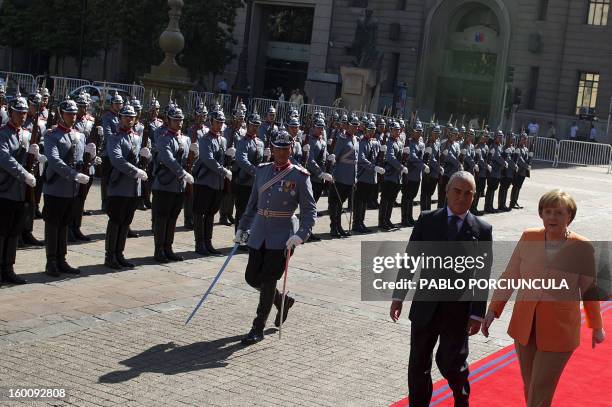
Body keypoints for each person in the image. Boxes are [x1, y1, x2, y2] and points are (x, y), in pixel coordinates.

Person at [482, 189, 605, 407]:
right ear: (541, 214)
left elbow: (589, 289)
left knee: (540, 387)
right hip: (525, 325)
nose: (552, 217)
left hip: (559, 329)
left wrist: (596, 325)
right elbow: (510, 275)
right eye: (547, 212)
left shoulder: (582, 247)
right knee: (530, 387)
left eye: (559, 213)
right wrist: (493, 309)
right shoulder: (529, 237)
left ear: (569, 216)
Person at [390, 171, 493, 407]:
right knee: (418, 365)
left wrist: (477, 313)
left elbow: (483, 275)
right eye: (457, 191)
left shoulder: (482, 230)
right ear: (446, 191)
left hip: (458, 312)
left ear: (474, 197)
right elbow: (410, 260)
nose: (462, 197)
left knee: (450, 364)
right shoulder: (427, 220)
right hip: (425, 307)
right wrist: (399, 296)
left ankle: (461, 398)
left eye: (468, 193)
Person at [235, 129, 317, 345]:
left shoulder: (299, 176)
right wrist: (243, 227)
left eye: (285, 148)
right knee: (252, 277)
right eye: (277, 148)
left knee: (269, 279)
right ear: (271, 148)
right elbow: (252, 203)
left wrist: (301, 235)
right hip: (260, 231)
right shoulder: (262, 171)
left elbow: (309, 211)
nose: (281, 152)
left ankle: (258, 326)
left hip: (282, 236)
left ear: (291, 149)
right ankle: (282, 300)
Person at [43, 97, 90, 277]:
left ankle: (62, 259)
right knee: (53, 225)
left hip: (72, 189)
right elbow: (54, 161)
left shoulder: (79, 135)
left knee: (64, 224)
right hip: (56, 187)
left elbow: (79, 160)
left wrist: (91, 159)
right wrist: (74, 175)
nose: (72, 117)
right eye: (69, 114)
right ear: (61, 115)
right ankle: (51, 261)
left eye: (74, 114)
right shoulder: (51, 135)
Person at [104, 104, 147, 269]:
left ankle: (119, 254)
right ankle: (110, 256)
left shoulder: (136, 137)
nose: (129, 120)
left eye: (132, 117)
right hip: (119, 185)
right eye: (126, 117)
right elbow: (117, 159)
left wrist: (145, 158)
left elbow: (137, 159)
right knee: (116, 220)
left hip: (133, 188)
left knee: (126, 221)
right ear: (120, 118)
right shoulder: (115, 137)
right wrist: (135, 171)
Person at [0, 92, 35, 285]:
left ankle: (8, 267)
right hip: (4, 190)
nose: (22, 116)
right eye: (18, 112)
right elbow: (5, 159)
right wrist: (24, 174)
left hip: (20, 191)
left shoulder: (25, 134)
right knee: (2, 231)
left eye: (23, 113)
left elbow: (25, 160)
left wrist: (36, 157)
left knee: (13, 232)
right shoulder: (3, 133)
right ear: (10, 112)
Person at [151, 105, 193, 263]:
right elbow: (168, 159)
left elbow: (187, 161)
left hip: (179, 186)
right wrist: (182, 173)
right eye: (175, 120)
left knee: (173, 217)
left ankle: (168, 248)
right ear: (168, 121)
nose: (179, 123)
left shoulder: (185, 139)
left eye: (181, 120)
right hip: (164, 184)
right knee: (162, 217)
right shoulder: (163, 137)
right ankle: (159, 249)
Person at [192, 110, 231, 256]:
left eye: (222, 122)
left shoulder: (223, 140)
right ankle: (199, 243)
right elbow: (208, 160)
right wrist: (223, 171)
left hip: (218, 183)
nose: (220, 125)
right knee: (200, 213)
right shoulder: (205, 139)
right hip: (205, 181)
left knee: (210, 213)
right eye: (217, 122)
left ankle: (208, 242)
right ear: (211, 122)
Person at [328, 115, 358, 237]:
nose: (355, 127)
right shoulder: (342, 138)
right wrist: (333, 159)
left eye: (356, 125)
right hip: (340, 175)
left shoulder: (356, 139)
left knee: (341, 204)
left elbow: (355, 160)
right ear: (348, 125)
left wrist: (355, 177)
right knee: (335, 203)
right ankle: (333, 227)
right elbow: (336, 154)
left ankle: (339, 226)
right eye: (353, 125)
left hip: (349, 177)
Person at [354, 121, 384, 233]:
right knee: (360, 200)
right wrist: (374, 167)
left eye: (373, 130)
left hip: (371, 178)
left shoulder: (375, 143)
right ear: (365, 130)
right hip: (363, 176)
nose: (371, 132)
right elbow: (361, 159)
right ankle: (357, 223)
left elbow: (377, 158)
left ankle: (361, 222)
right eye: (369, 130)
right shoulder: (362, 142)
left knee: (365, 201)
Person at [380, 120, 405, 230]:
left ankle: (388, 219)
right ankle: (382, 221)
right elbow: (390, 158)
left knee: (391, 199)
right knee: (385, 199)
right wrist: (401, 167)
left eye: (398, 130)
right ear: (391, 131)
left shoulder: (400, 143)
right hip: (389, 175)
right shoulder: (389, 142)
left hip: (397, 177)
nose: (397, 132)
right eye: (395, 130)